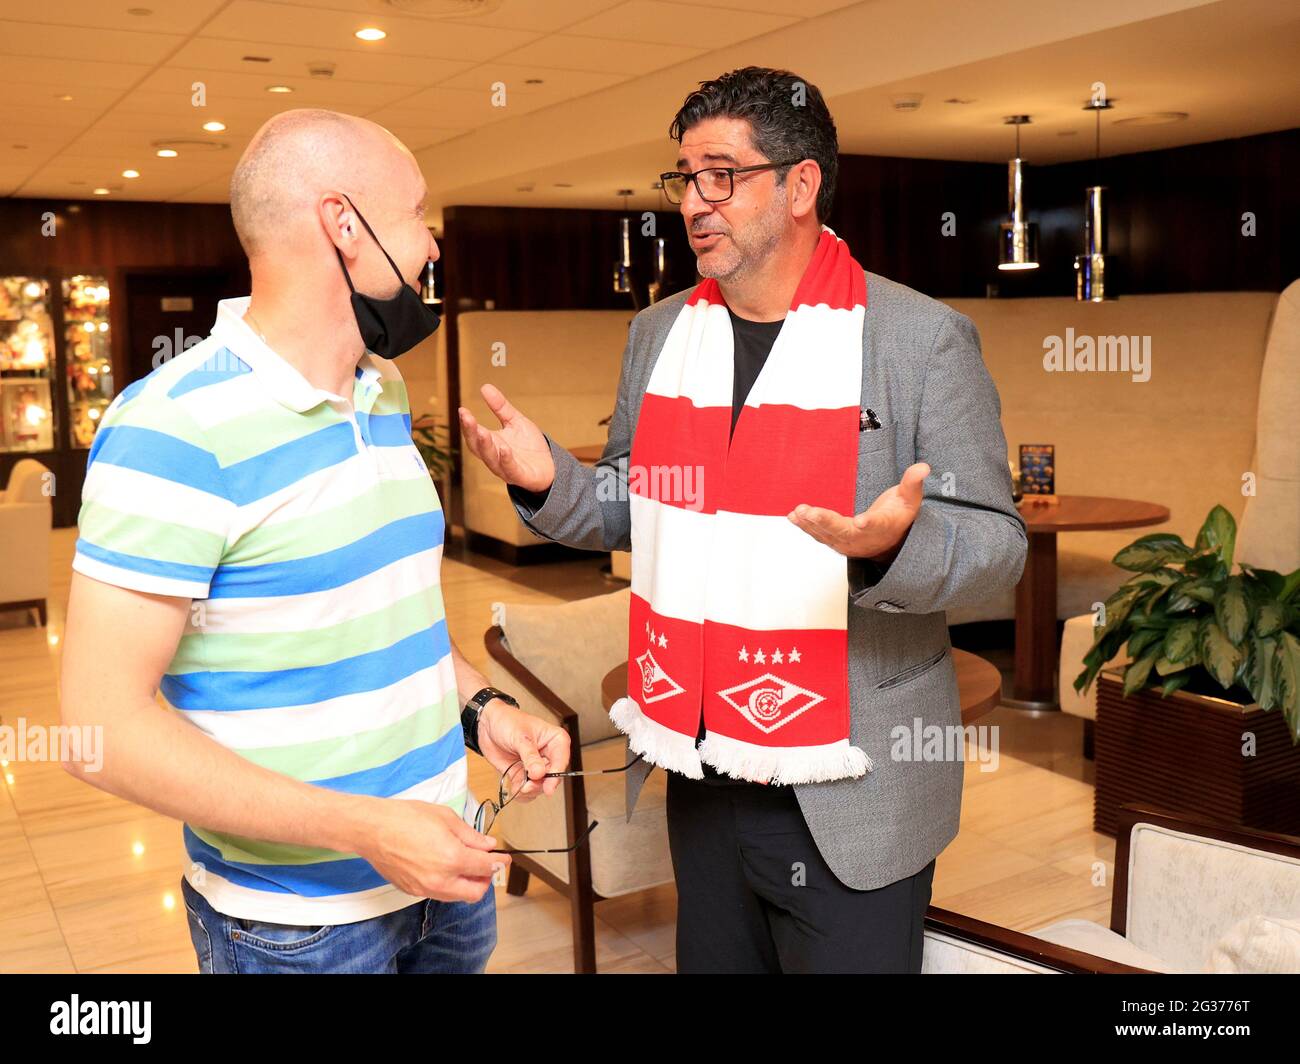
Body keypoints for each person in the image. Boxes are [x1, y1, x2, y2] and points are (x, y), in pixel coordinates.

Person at [458, 68, 1028, 973]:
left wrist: (891, 550)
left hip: (855, 788)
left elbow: (999, 546)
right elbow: (636, 502)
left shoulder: (920, 341)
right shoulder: (660, 334)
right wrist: (551, 482)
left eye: (722, 174)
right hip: (701, 759)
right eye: (684, 178)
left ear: (800, 185)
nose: (694, 203)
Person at [58, 109, 569, 974]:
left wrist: (482, 711)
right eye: (414, 212)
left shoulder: (386, 392)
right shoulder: (172, 427)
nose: (432, 242)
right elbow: (98, 728)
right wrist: (366, 829)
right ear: (344, 225)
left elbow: (386, 622)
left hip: (447, 885)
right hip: (297, 933)